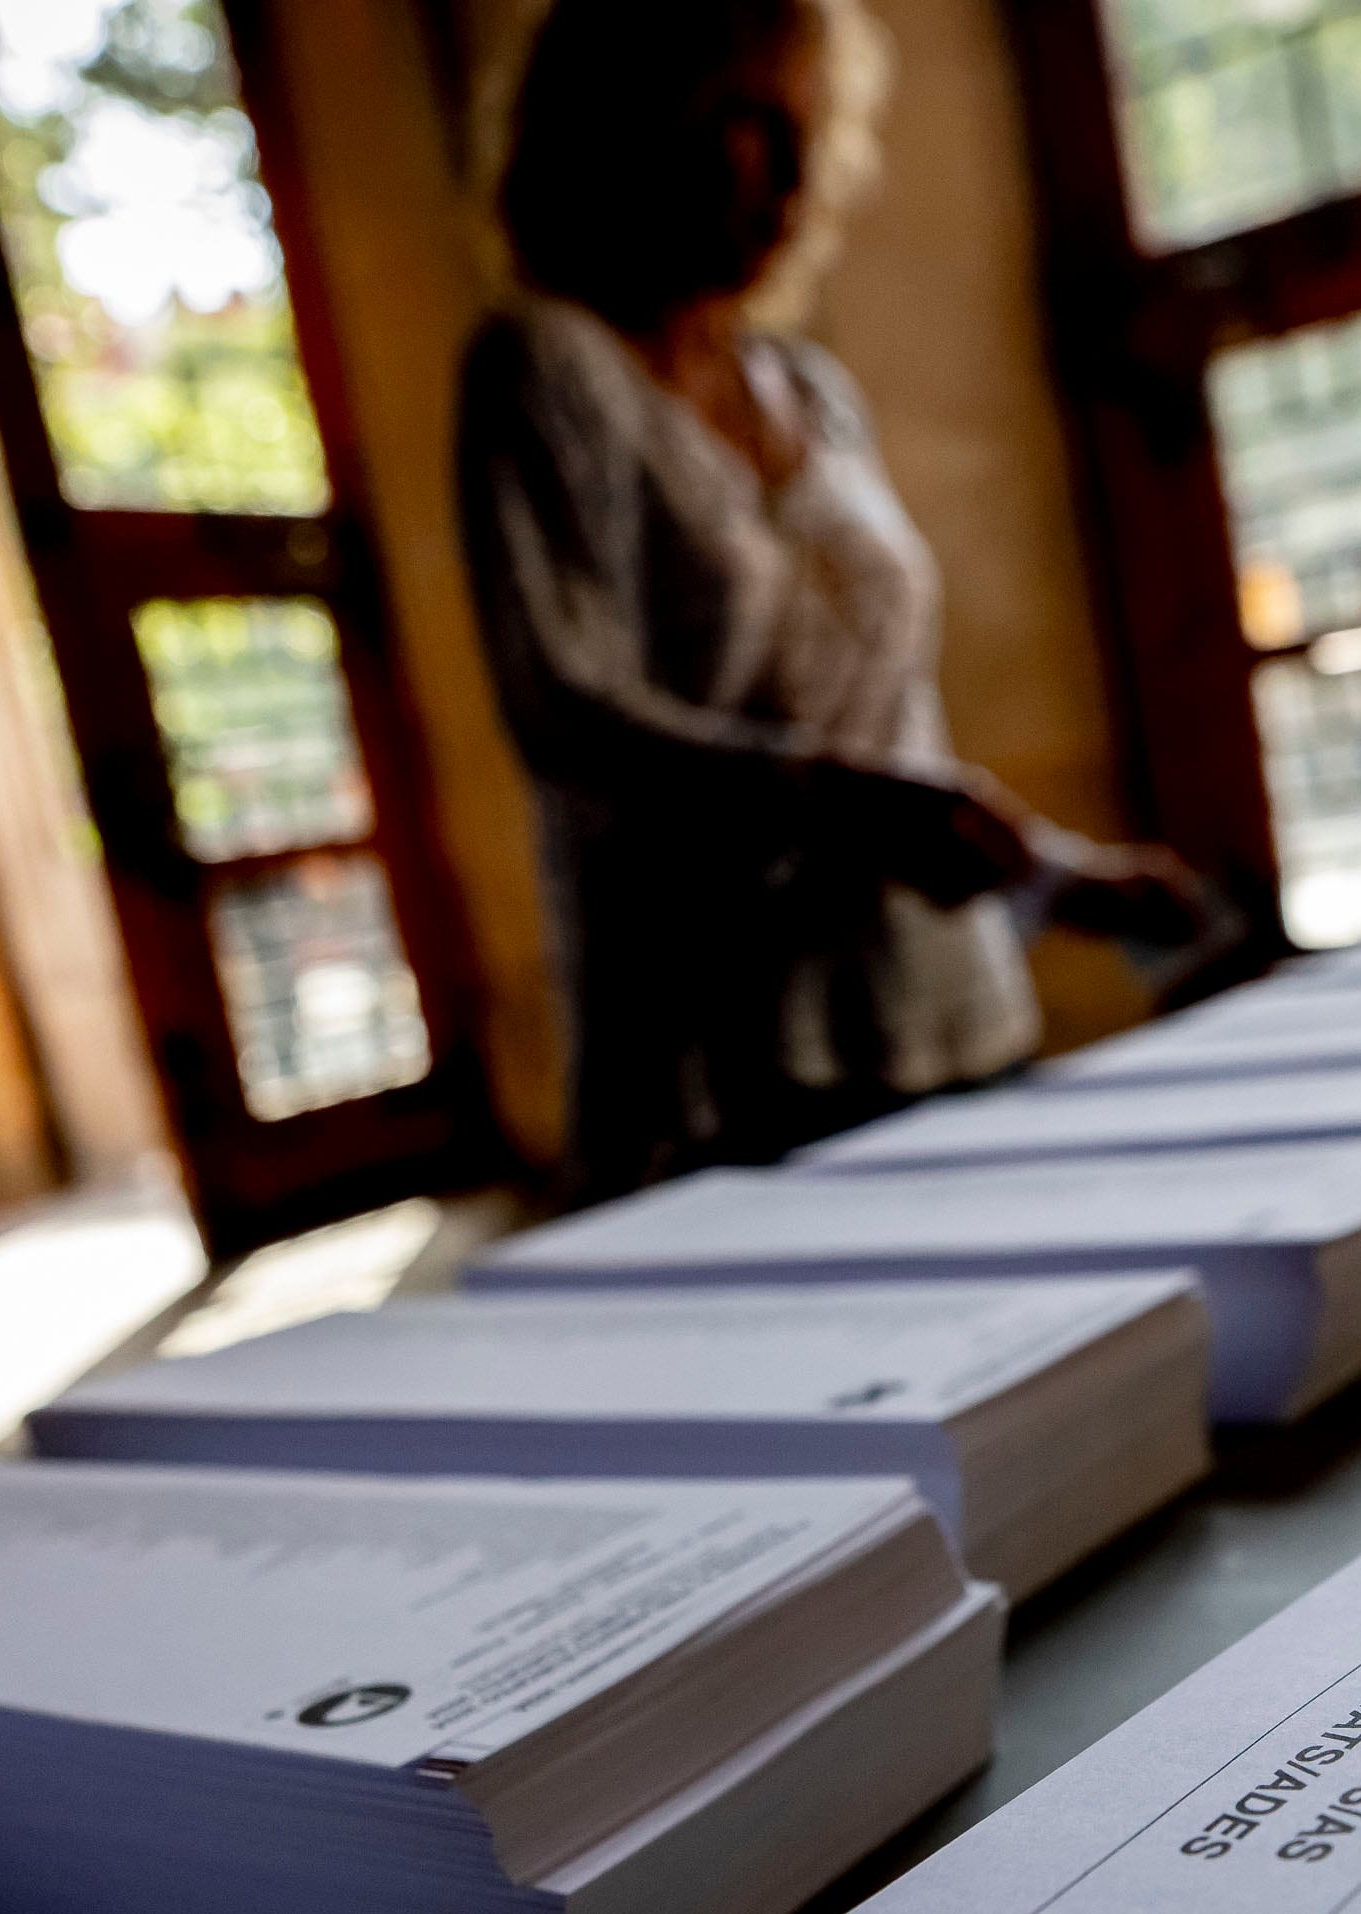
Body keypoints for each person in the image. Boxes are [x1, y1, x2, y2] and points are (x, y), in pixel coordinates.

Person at [458, 0, 1201, 1202]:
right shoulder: (544, 371)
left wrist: (1058, 876)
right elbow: (569, 715)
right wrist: (840, 802)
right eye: (752, 124)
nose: (800, 177)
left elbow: (888, 737)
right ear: (631, 124)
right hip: (729, 1067)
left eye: (813, 130)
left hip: (945, 1022)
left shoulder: (810, 386)